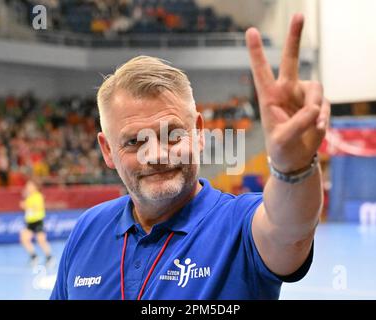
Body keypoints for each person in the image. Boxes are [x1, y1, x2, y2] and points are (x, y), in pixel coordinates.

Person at [51, 13, 330, 300]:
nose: (156, 154)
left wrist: (294, 167)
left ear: (198, 133)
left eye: (172, 134)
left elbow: (290, 231)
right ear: (108, 150)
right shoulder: (88, 229)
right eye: (134, 141)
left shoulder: (239, 226)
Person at [19, 179, 53, 266]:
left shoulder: (38, 196)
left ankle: (49, 257)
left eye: (30, 185)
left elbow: (37, 207)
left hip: (38, 222)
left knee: (41, 240)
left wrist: (26, 205)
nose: (28, 187)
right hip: (30, 223)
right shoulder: (29, 197)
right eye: (27, 186)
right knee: (24, 238)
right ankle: (34, 256)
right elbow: (26, 207)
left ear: (35, 187)